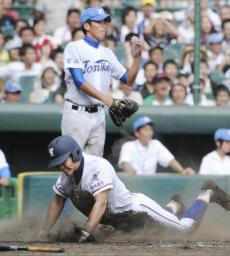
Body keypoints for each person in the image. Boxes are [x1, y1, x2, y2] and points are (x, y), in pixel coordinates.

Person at [41, 135, 230, 242]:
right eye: (57, 163)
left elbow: (101, 202)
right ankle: (173, 206)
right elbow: (57, 202)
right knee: (154, 231)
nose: (61, 166)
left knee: (183, 231)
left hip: (136, 209)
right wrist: (45, 231)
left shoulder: (97, 167)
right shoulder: (67, 174)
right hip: (123, 221)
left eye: (63, 160)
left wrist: (88, 230)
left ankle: (207, 193)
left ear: (74, 153)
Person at [62, 6, 143, 157]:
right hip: (76, 114)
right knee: (73, 165)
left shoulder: (107, 53)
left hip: (98, 115)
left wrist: (137, 57)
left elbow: (128, 80)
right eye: (99, 22)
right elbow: (80, 81)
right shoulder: (74, 48)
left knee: (94, 168)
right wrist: (108, 100)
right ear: (87, 26)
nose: (104, 25)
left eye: (105, 22)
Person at [118, 116, 195, 175]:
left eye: (150, 130)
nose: (149, 133)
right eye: (146, 130)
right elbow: (125, 164)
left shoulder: (156, 144)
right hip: (133, 185)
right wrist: (129, 170)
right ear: (137, 133)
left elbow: (170, 160)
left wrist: (182, 171)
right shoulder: (128, 146)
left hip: (150, 186)